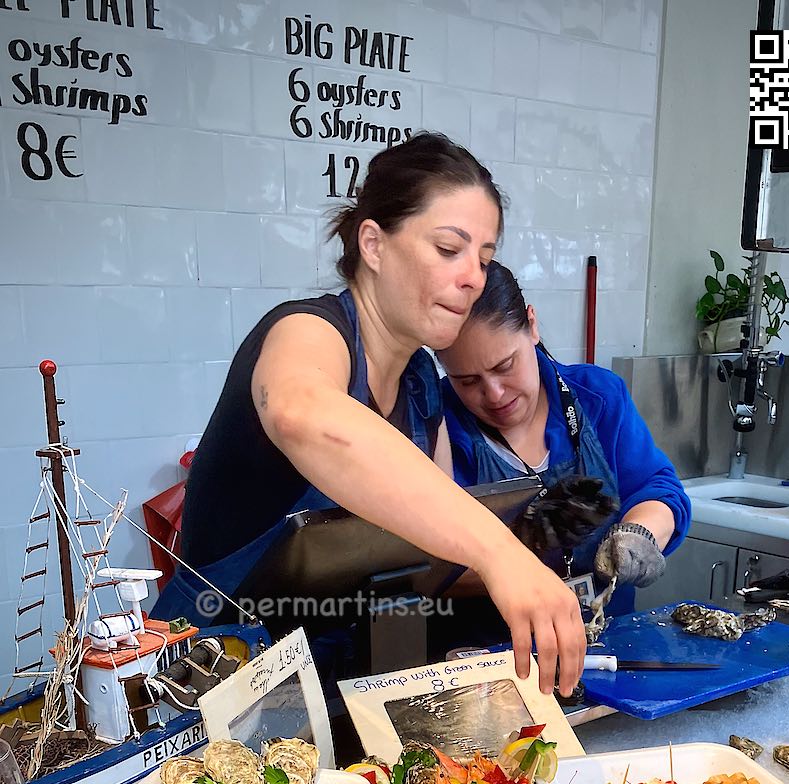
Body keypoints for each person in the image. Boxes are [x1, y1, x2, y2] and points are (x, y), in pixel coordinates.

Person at [152, 134, 584, 695]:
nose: (473, 277)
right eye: (449, 249)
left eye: (484, 259)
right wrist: (499, 553)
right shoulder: (309, 330)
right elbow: (300, 412)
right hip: (215, 671)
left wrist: (545, 578)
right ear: (374, 245)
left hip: (341, 670)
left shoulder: (422, 384)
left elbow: (428, 542)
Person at [437, 260, 691, 625]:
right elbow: (426, 566)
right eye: (467, 381)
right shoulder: (439, 428)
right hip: (494, 657)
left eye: (505, 365)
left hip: (611, 643)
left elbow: (657, 489)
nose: (494, 394)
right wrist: (521, 554)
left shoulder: (598, 397)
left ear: (532, 325)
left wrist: (639, 534)